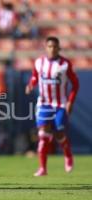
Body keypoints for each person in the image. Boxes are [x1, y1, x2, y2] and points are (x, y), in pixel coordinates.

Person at [25, 36, 79, 176]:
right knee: (42, 134)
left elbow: (75, 84)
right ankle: (42, 168)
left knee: (59, 133)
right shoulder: (39, 62)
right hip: (43, 103)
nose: (52, 49)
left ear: (59, 48)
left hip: (60, 104)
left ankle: (68, 155)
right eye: (50, 46)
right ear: (46, 48)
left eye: (55, 46)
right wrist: (31, 84)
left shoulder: (65, 64)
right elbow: (35, 77)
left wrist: (70, 102)